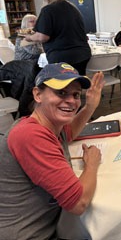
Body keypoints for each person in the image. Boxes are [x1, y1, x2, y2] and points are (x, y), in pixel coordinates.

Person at [0, 62, 104, 239]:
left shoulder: (48, 124)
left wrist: (90, 107)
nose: (71, 100)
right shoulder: (29, 135)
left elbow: (69, 133)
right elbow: (79, 204)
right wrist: (92, 164)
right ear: (38, 94)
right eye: (61, 92)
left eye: (76, 94)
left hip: (50, 224)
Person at [24, 0, 91, 75]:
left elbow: (43, 37)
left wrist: (29, 37)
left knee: (63, 86)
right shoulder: (72, 8)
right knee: (76, 84)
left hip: (62, 56)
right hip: (82, 53)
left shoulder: (48, 10)